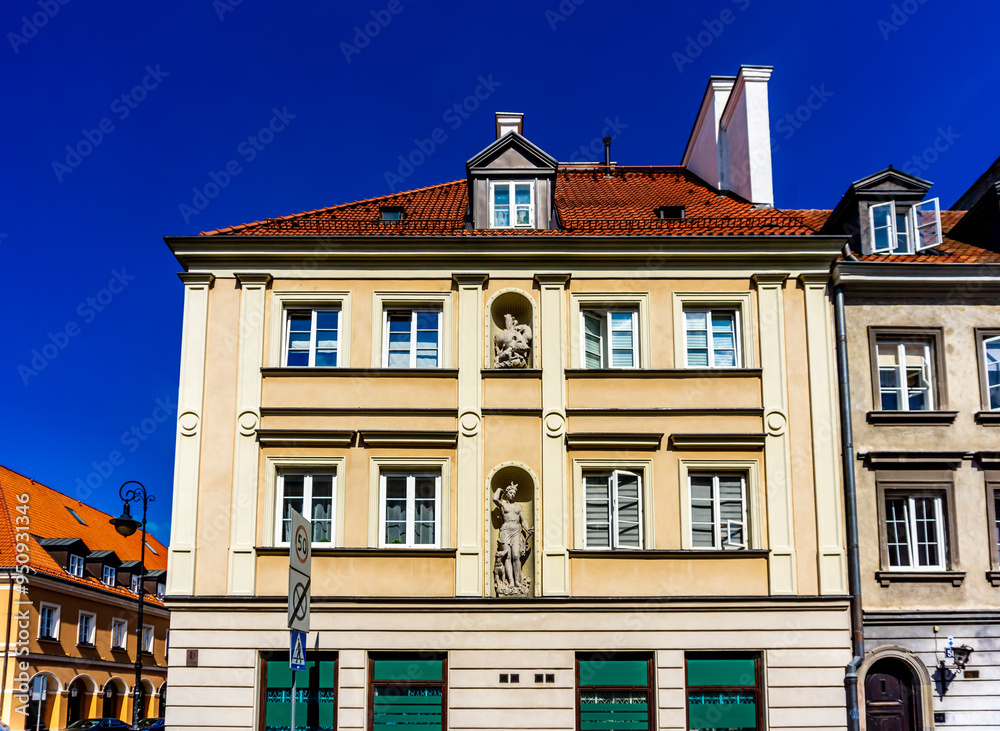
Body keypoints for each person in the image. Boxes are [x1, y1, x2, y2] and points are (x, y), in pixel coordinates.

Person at [493, 481, 533, 590]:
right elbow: (495, 499)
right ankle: (510, 582)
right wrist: (500, 490)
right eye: (511, 492)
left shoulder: (518, 507)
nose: (513, 494)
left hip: (516, 530)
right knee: (508, 556)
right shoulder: (503, 504)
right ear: (507, 493)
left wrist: (527, 528)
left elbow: (523, 520)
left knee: (516, 556)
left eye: (514, 492)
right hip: (505, 531)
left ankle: (517, 581)